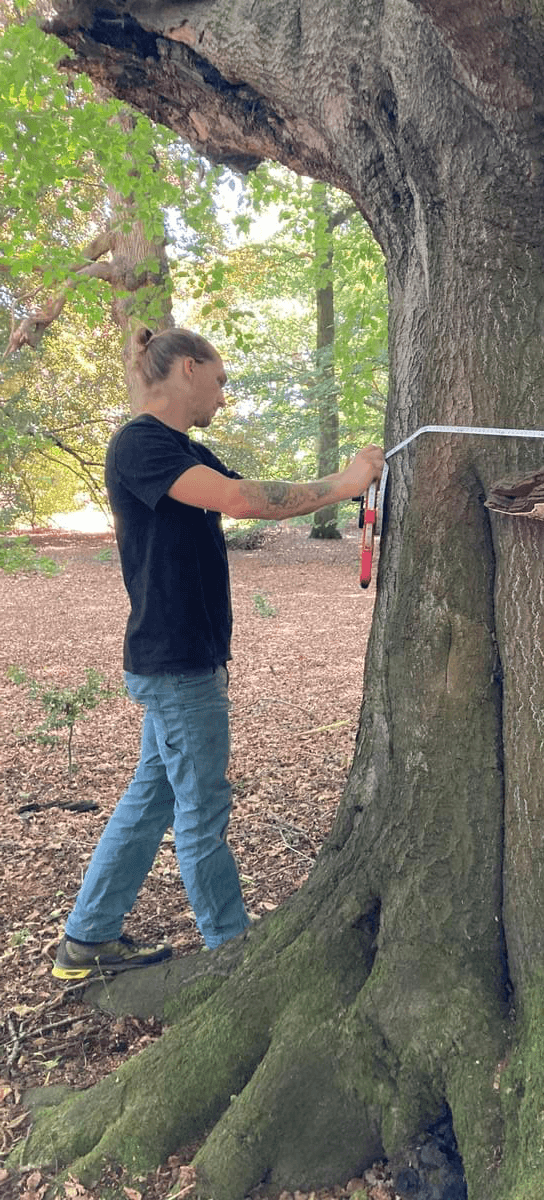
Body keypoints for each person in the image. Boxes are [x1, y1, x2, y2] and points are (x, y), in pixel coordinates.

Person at [52, 327, 385, 981]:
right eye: (221, 379)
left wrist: (347, 485)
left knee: (152, 798)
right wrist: (346, 479)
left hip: (182, 658)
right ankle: (231, 952)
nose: (224, 395)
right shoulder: (141, 444)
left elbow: (261, 496)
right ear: (187, 368)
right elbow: (241, 500)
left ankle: (88, 939)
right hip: (177, 664)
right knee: (200, 808)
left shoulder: (184, 450)